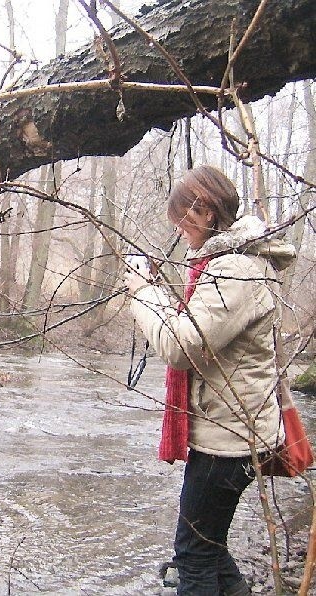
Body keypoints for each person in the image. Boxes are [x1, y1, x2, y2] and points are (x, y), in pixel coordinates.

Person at [123, 165, 296, 595]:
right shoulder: (228, 265)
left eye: (183, 217)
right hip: (231, 431)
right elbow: (195, 330)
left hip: (229, 440)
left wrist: (143, 290)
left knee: (194, 556)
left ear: (205, 214)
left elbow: (182, 347)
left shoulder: (235, 270)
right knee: (211, 547)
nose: (180, 229)